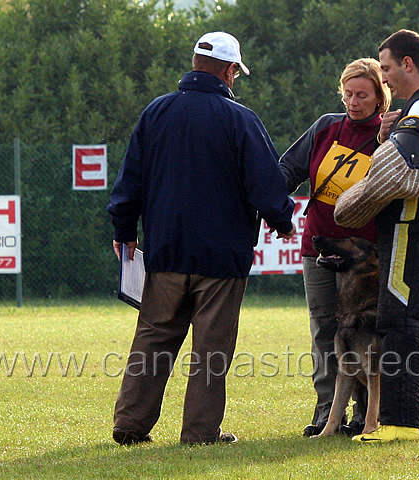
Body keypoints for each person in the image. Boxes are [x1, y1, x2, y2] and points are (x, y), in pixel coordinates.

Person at [106, 31, 295, 446]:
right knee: (211, 349)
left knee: (154, 337)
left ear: (194, 64)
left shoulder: (155, 112)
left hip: (167, 252)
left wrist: (125, 231)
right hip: (222, 259)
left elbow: (130, 181)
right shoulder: (241, 119)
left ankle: (130, 424)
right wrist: (283, 220)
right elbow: (265, 184)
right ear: (230, 71)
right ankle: (199, 433)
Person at [352, 30, 419, 443]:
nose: (384, 79)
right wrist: (388, 132)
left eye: (387, 68)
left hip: (411, 224)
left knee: (398, 319)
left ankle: (399, 423)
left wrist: (390, 142)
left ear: (409, 64)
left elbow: (409, 152)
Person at [279, 58, 391, 437]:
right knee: (325, 329)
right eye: (347, 94)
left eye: (362, 95)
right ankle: (327, 413)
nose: (353, 102)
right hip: (319, 245)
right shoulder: (326, 127)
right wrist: (267, 199)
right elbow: (288, 170)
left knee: (367, 335)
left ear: (380, 97)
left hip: (366, 254)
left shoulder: (388, 135)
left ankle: (365, 416)